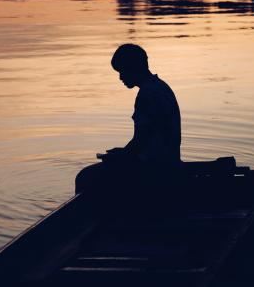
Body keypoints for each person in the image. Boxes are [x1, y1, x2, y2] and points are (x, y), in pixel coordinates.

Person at [75, 44, 181, 193]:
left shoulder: (146, 95)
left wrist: (122, 156)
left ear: (133, 68)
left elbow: (140, 141)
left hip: (153, 167)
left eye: (122, 71)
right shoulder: (161, 87)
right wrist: (124, 152)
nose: (120, 77)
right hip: (168, 160)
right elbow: (147, 139)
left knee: (86, 177)